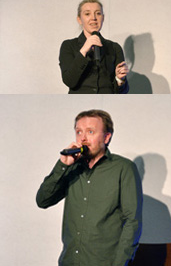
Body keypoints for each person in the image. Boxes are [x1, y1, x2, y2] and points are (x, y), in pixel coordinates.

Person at [36, 109, 142, 266]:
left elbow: (132, 222)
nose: (83, 138)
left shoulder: (123, 168)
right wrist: (62, 165)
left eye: (90, 132)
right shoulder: (71, 167)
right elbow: (43, 200)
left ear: (107, 137)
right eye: (79, 132)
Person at [59, 0, 129, 93]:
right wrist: (84, 50)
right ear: (79, 19)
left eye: (98, 13)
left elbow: (122, 92)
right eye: (87, 14)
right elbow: (69, 81)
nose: (93, 18)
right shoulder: (68, 46)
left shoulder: (114, 47)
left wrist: (119, 79)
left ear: (103, 18)